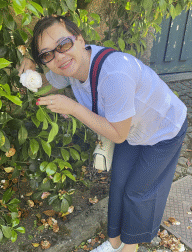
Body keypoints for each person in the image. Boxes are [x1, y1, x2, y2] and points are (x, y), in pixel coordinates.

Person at [19, 15, 188, 252]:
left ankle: (131, 246)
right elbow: (43, 85)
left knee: (138, 190)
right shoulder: (68, 66)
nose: (59, 56)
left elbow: (117, 135)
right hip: (132, 129)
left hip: (164, 128)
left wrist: (73, 108)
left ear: (80, 40)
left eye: (63, 44)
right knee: (119, 183)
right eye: (47, 54)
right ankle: (115, 243)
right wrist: (30, 69)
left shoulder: (114, 74)